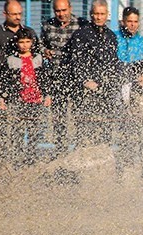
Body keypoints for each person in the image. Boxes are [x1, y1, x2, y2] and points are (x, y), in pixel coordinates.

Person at [0, 27, 52, 168]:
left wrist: (47, 95)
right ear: (17, 43)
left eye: (27, 41)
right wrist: (1, 98)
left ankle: (31, 160)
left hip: (35, 100)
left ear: (32, 42)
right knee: (17, 132)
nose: (24, 44)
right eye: (21, 41)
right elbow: (2, 81)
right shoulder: (11, 61)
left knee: (33, 131)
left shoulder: (38, 59)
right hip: (18, 100)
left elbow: (44, 79)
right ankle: (17, 160)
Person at [67, 0, 122, 148]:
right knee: (84, 131)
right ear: (91, 14)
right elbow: (76, 61)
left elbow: (113, 63)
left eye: (102, 14)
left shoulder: (111, 36)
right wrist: (85, 80)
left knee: (104, 132)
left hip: (105, 92)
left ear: (107, 15)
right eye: (96, 13)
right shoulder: (81, 34)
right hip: (85, 92)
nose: (99, 17)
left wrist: (113, 82)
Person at [0, 1, 40, 162]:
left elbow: (37, 59)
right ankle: (2, 160)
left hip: (27, 91)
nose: (18, 17)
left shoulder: (29, 32)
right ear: (5, 14)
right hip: (2, 85)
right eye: (14, 14)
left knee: (30, 126)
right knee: (3, 127)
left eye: (20, 13)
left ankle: (29, 161)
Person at [41, 0, 90, 158]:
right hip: (56, 77)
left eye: (63, 10)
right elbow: (40, 45)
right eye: (57, 11)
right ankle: (60, 150)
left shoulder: (81, 24)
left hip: (76, 77)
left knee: (79, 115)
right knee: (59, 116)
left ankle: (79, 149)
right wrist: (44, 50)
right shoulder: (48, 25)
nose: (61, 14)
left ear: (70, 8)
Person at [118, 58, 143, 178]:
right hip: (131, 122)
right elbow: (126, 103)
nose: (141, 78)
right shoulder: (128, 87)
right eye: (139, 74)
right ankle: (128, 169)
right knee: (129, 144)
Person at [113, 6, 143, 78]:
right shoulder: (114, 37)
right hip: (116, 76)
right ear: (123, 22)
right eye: (129, 21)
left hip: (135, 79)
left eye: (135, 21)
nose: (133, 25)